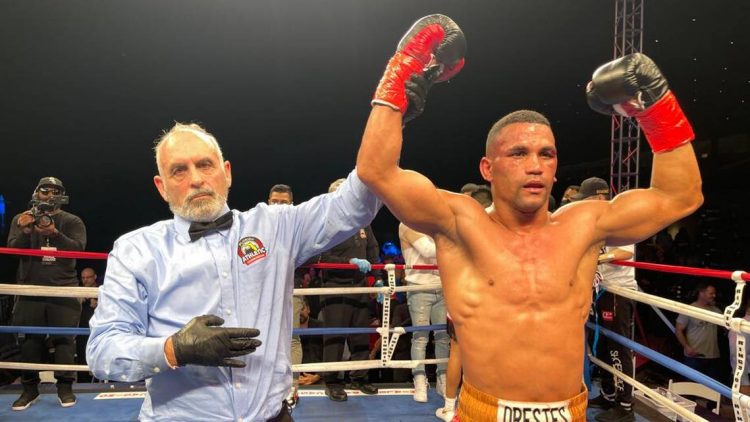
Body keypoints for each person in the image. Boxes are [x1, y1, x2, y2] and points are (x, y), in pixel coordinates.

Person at [356, 14, 702, 421]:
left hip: (568, 411)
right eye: (518, 154)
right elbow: (376, 171)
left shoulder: (585, 224)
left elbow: (680, 196)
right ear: (488, 168)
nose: (535, 165)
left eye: (546, 154)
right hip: (483, 411)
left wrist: (657, 107)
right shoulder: (460, 223)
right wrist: (399, 79)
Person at [86, 123, 381, 421]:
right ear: (162, 187)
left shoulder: (276, 226)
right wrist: (174, 349)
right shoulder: (136, 250)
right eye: (179, 170)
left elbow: (355, 203)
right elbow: (102, 350)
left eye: (205, 165)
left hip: (273, 415)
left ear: (226, 172)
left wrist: (390, 110)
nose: (197, 179)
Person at [7, 176, 87, 410]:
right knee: (29, 341)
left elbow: (78, 250)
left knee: (64, 341)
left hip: (63, 289)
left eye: (55, 191)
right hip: (30, 288)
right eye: (45, 190)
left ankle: (65, 389)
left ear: (62, 196)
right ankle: (29, 390)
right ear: (36, 193)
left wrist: (54, 234)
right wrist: (24, 231)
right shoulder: (21, 219)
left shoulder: (72, 221)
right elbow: (12, 250)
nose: (50, 195)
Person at [571, 178, 638, 422]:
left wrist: (598, 259)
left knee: (618, 348)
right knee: (601, 347)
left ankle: (625, 405)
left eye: (586, 200)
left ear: (598, 198)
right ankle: (609, 395)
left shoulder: (619, 219)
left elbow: (626, 251)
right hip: (601, 291)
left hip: (619, 292)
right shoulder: (596, 223)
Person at [319, 178, 382, 401]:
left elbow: (373, 250)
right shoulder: (326, 222)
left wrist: (379, 279)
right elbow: (322, 256)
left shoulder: (363, 221)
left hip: (359, 286)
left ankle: (360, 377)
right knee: (334, 337)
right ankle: (333, 381)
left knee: (360, 336)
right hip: (335, 288)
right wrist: (350, 261)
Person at [399, 223, 448, 403]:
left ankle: (443, 380)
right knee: (420, 337)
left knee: (443, 336)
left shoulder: (433, 225)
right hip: (419, 288)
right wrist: (449, 239)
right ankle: (419, 381)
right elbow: (428, 250)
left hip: (441, 286)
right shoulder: (406, 224)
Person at [265, 183, 303, 408]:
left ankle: (293, 388)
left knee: (292, 337)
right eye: (274, 202)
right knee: (261, 337)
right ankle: (265, 389)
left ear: (291, 204)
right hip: (263, 291)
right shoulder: (254, 225)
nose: (278, 206)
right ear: (268, 201)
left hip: (292, 290)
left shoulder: (298, 226)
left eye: (283, 203)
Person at [675, 283, 722, 380]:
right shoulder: (689, 309)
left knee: (711, 391)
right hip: (694, 356)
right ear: (701, 293)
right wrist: (686, 347)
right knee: (690, 387)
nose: (714, 295)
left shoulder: (716, 310)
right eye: (711, 293)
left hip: (713, 356)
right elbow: (678, 330)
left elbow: (726, 329)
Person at [76, 267, 99, 383]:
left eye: (88, 277)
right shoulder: (79, 292)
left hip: (98, 332)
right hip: (81, 332)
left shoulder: (102, 291)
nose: (85, 280)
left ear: (95, 277)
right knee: (81, 358)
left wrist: (99, 304)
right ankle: (82, 384)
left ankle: (99, 384)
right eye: (83, 278)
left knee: (98, 358)